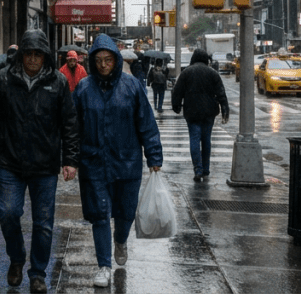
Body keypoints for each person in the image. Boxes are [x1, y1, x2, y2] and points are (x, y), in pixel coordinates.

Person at [0, 30, 79, 294]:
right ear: (21, 54)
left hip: (45, 165)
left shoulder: (57, 82)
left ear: (45, 56)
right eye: (29, 54)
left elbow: (69, 123)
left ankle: (37, 273)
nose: (33, 59)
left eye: (38, 54)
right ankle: (17, 258)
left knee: (43, 223)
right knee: (8, 213)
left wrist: (70, 159)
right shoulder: (3, 79)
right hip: (11, 161)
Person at [74, 34, 163, 288]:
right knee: (100, 214)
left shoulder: (132, 86)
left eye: (108, 60)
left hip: (127, 162)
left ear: (115, 60)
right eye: (99, 60)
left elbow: (146, 123)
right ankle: (103, 265)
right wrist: (69, 158)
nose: (103, 65)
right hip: (94, 163)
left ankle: (121, 240)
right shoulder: (82, 89)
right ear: (92, 61)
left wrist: (154, 155)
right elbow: (73, 128)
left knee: (125, 213)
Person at [171, 48, 229, 182]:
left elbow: (177, 91)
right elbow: (221, 93)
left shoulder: (186, 72)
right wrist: (225, 109)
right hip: (209, 112)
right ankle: (206, 168)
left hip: (191, 112)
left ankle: (198, 169)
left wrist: (176, 106)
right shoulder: (213, 73)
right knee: (206, 139)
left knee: (194, 139)